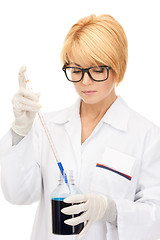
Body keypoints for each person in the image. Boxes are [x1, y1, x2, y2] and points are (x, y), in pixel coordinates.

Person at [1, 14, 160, 240]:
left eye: (97, 70)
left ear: (117, 66)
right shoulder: (49, 127)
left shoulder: (147, 136)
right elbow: (18, 195)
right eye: (76, 70)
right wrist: (20, 131)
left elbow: (156, 216)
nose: (85, 81)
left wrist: (111, 210)